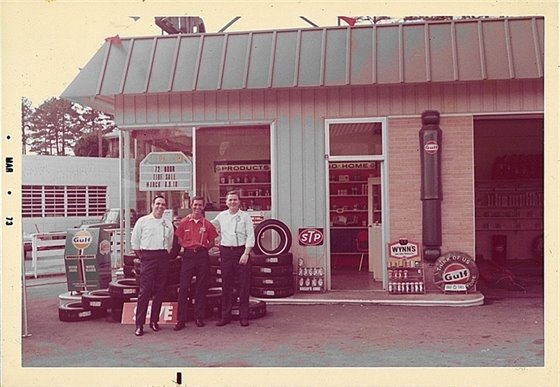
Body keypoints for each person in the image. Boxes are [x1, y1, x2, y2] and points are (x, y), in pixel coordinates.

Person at [130, 195, 174, 337]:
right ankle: (139, 324)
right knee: (145, 291)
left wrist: (164, 255)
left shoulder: (168, 224)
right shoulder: (142, 221)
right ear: (152, 205)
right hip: (147, 257)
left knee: (160, 291)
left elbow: (170, 243)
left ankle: (154, 321)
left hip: (162, 257)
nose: (160, 207)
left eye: (163, 204)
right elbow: (135, 242)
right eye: (158, 204)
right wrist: (143, 257)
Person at [173, 197, 218, 331]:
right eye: (195, 205)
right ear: (191, 206)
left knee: (201, 287)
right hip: (188, 256)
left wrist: (201, 248)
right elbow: (179, 240)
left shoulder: (208, 224)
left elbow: (212, 242)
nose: (197, 207)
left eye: (200, 205)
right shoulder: (184, 222)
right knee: (184, 287)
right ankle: (181, 320)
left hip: (202, 255)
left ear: (203, 207)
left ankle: (199, 317)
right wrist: (190, 248)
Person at [212, 190, 255, 327]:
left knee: (243, 285)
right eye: (230, 200)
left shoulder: (245, 217)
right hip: (226, 253)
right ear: (226, 202)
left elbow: (250, 235)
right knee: (226, 285)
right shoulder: (221, 216)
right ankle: (226, 316)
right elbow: (210, 226)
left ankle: (244, 316)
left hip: (241, 252)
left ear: (239, 202)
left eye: (235, 200)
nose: (232, 202)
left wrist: (246, 253)